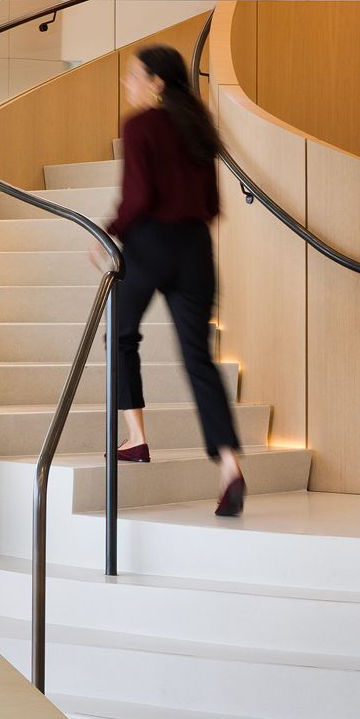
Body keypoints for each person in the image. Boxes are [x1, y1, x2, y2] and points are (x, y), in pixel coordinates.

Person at [99, 42, 247, 517]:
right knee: (198, 359)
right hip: (196, 251)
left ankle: (137, 437)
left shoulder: (140, 126)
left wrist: (108, 231)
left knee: (120, 335)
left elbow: (138, 197)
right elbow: (214, 206)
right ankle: (228, 467)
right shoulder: (199, 128)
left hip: (150, 247)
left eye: (133, 75)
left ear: (156, 82)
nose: (128, 83)